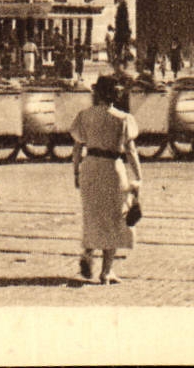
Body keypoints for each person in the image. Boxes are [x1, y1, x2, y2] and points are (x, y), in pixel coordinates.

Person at [70, 76, 144, 283]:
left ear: (97, 93)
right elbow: (131, 151)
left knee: (92, 213)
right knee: (114, 216)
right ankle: (106, 271)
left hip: (90, 167)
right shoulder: (123, 119)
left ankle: (87, 252)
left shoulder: (84, 116)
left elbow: (77, 148)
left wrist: (76, 172)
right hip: (113, 168)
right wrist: (139, 177)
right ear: (116, 94)